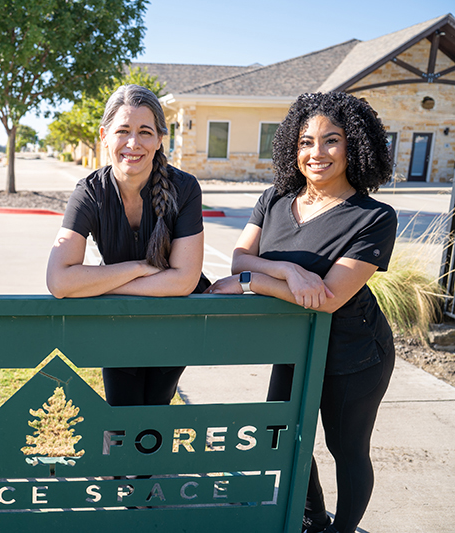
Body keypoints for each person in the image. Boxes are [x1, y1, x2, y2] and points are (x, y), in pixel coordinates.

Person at [206, 92, 396, 533]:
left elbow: (329, 297)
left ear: (355, 146)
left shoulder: (374, 218)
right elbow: (239, 259)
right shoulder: (274, 198)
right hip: (293, 344)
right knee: (284, 436)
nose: (317, 153)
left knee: (346, 447)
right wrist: (287, 270)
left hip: (353, 350)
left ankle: (343, 529)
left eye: (332, 140)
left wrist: (255, 282)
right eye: (306, 141)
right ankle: (312, 517)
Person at [46, 84, 207, 406]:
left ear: (160, 138)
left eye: (145, 132)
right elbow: (59, 281)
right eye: (123, 131)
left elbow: (185, 280)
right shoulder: (91, 192)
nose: (133, 143)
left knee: (156, 407)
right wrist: (138, 268)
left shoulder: (184, 188)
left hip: (174, 319)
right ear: (104, 136)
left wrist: (102, 283)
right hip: (119, 318)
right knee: (120, 411)